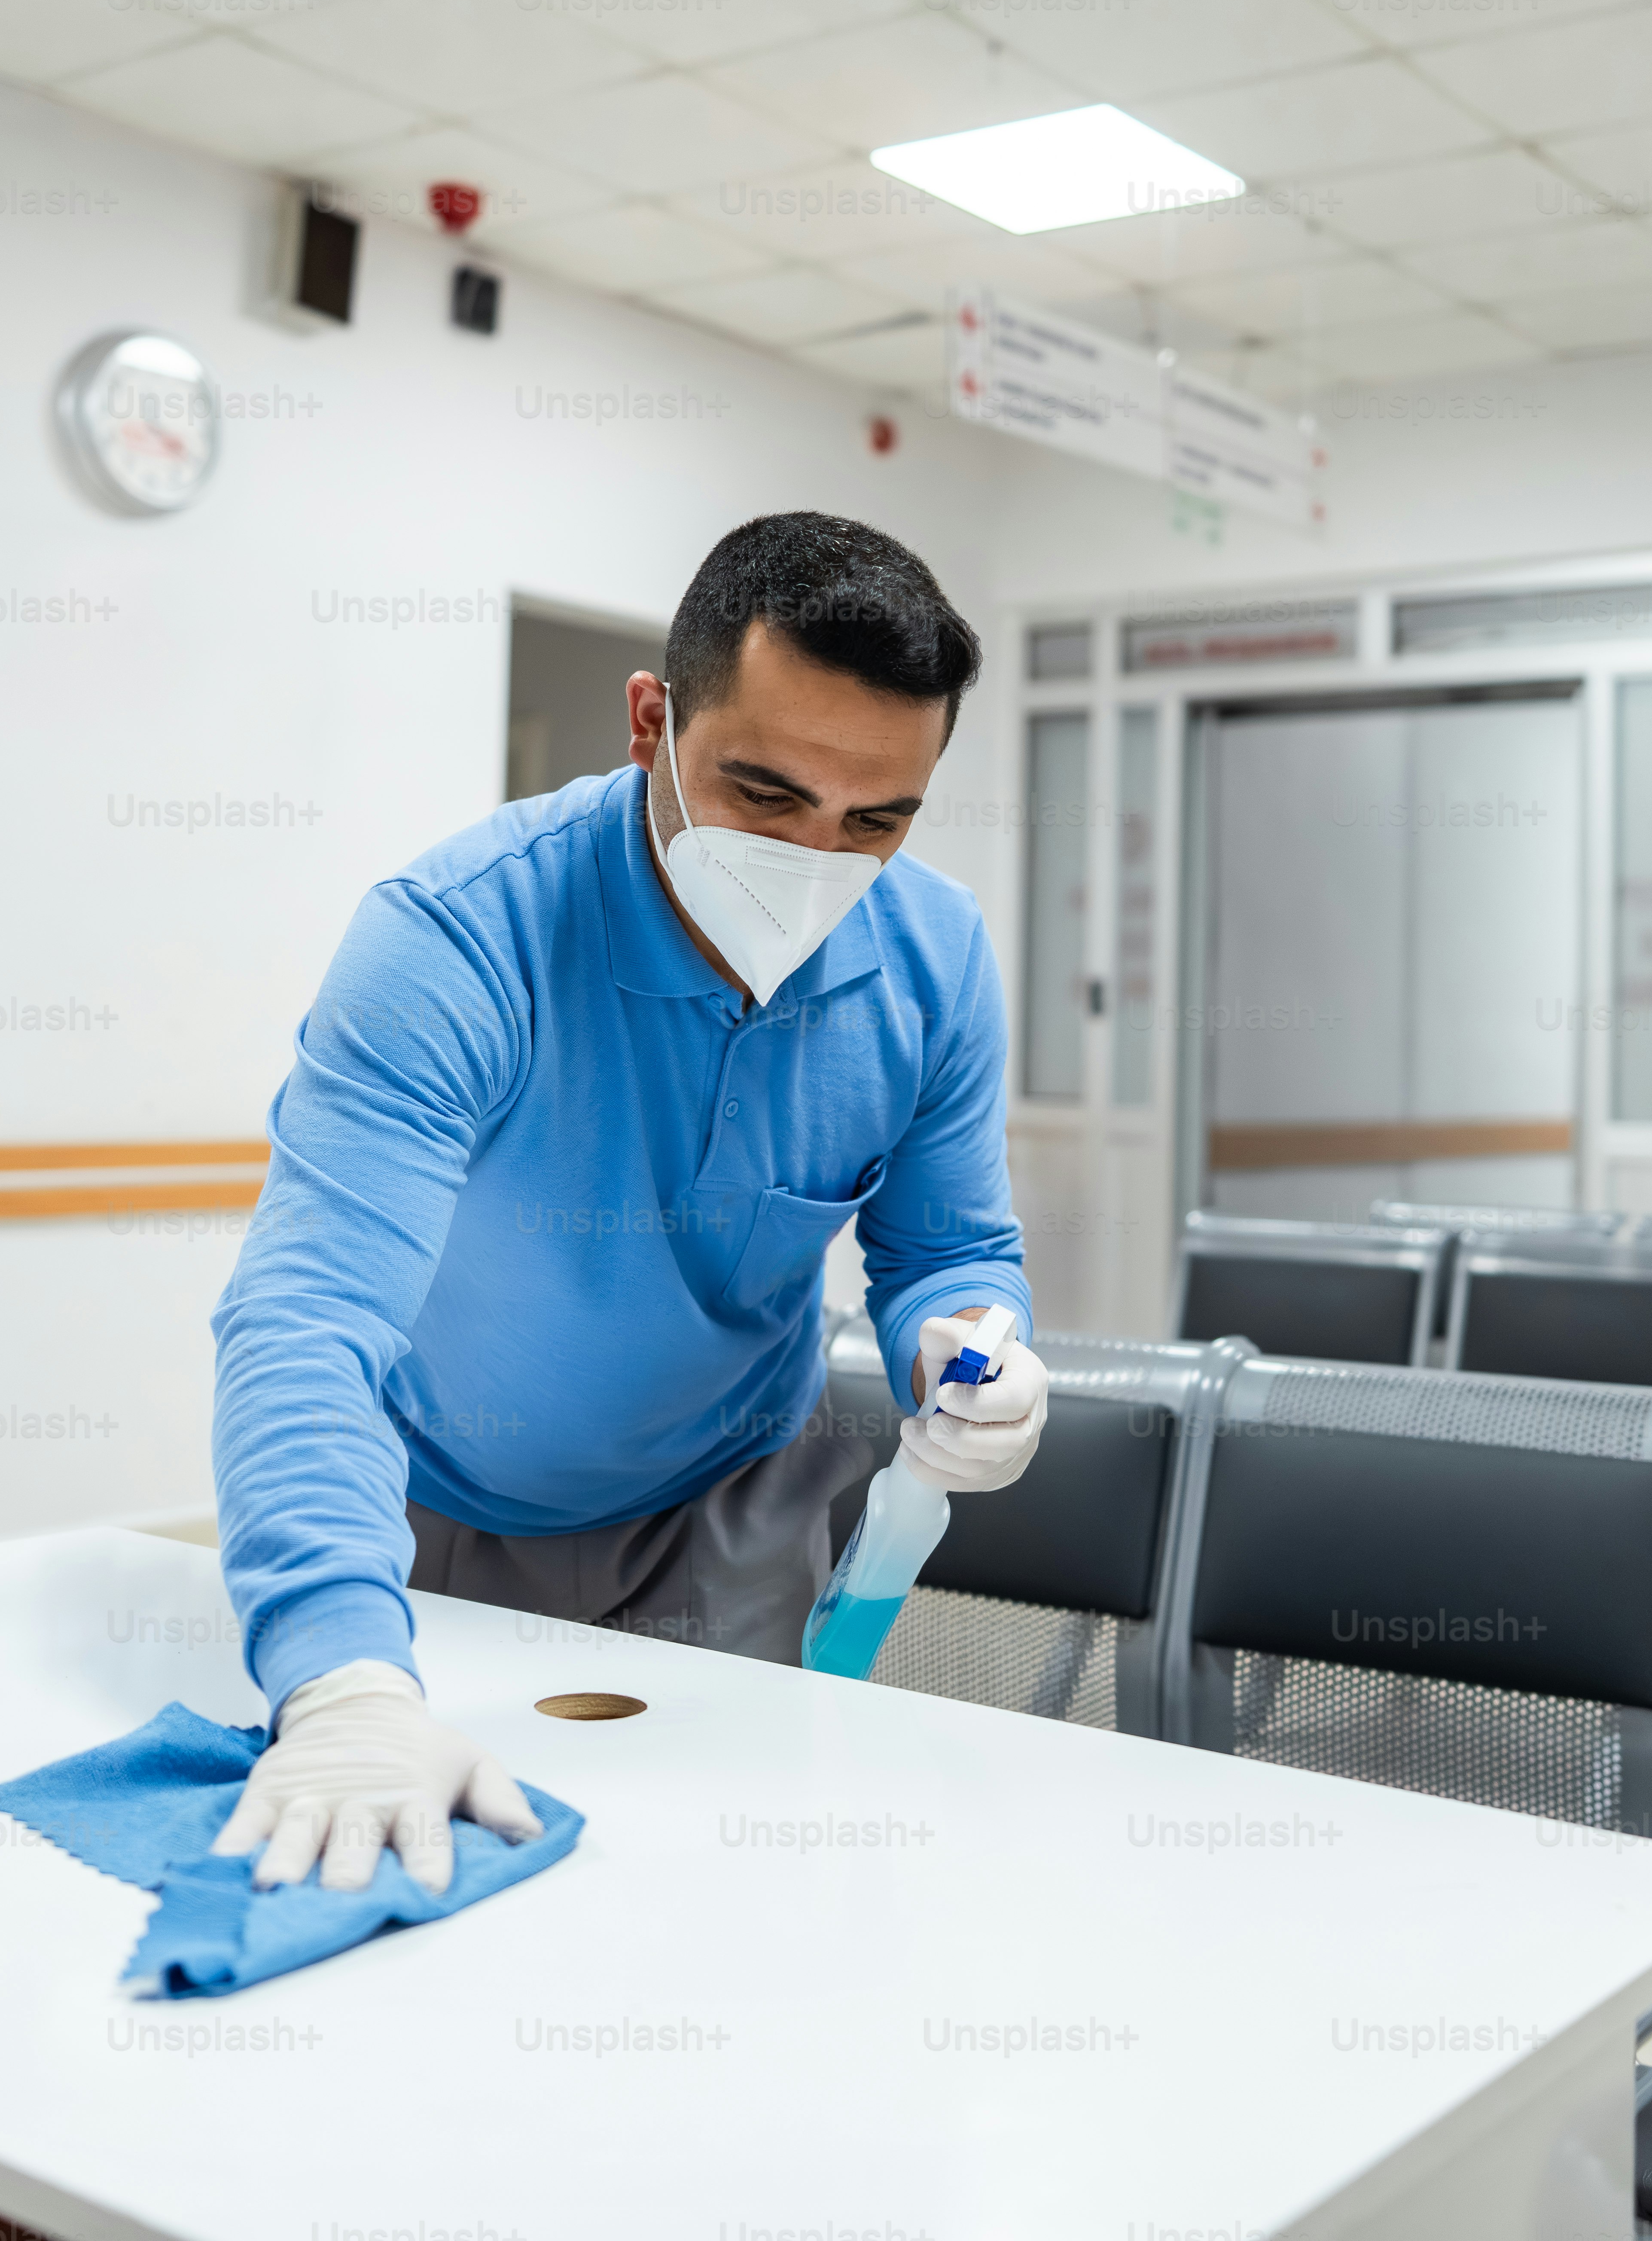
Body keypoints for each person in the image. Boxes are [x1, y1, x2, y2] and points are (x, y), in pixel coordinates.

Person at [205, 513, 1045, 1896]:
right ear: (652, 718)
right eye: (765, 795)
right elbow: (306, 1325)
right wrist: (341, 1677)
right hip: (440, 1511)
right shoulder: (459, 939)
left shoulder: (935, 956)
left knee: (707, 1894)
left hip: (729, 1502)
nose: (816, 863)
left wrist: (972, 1347)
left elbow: (948, 1248)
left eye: (876, 821)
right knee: (429, 1904)